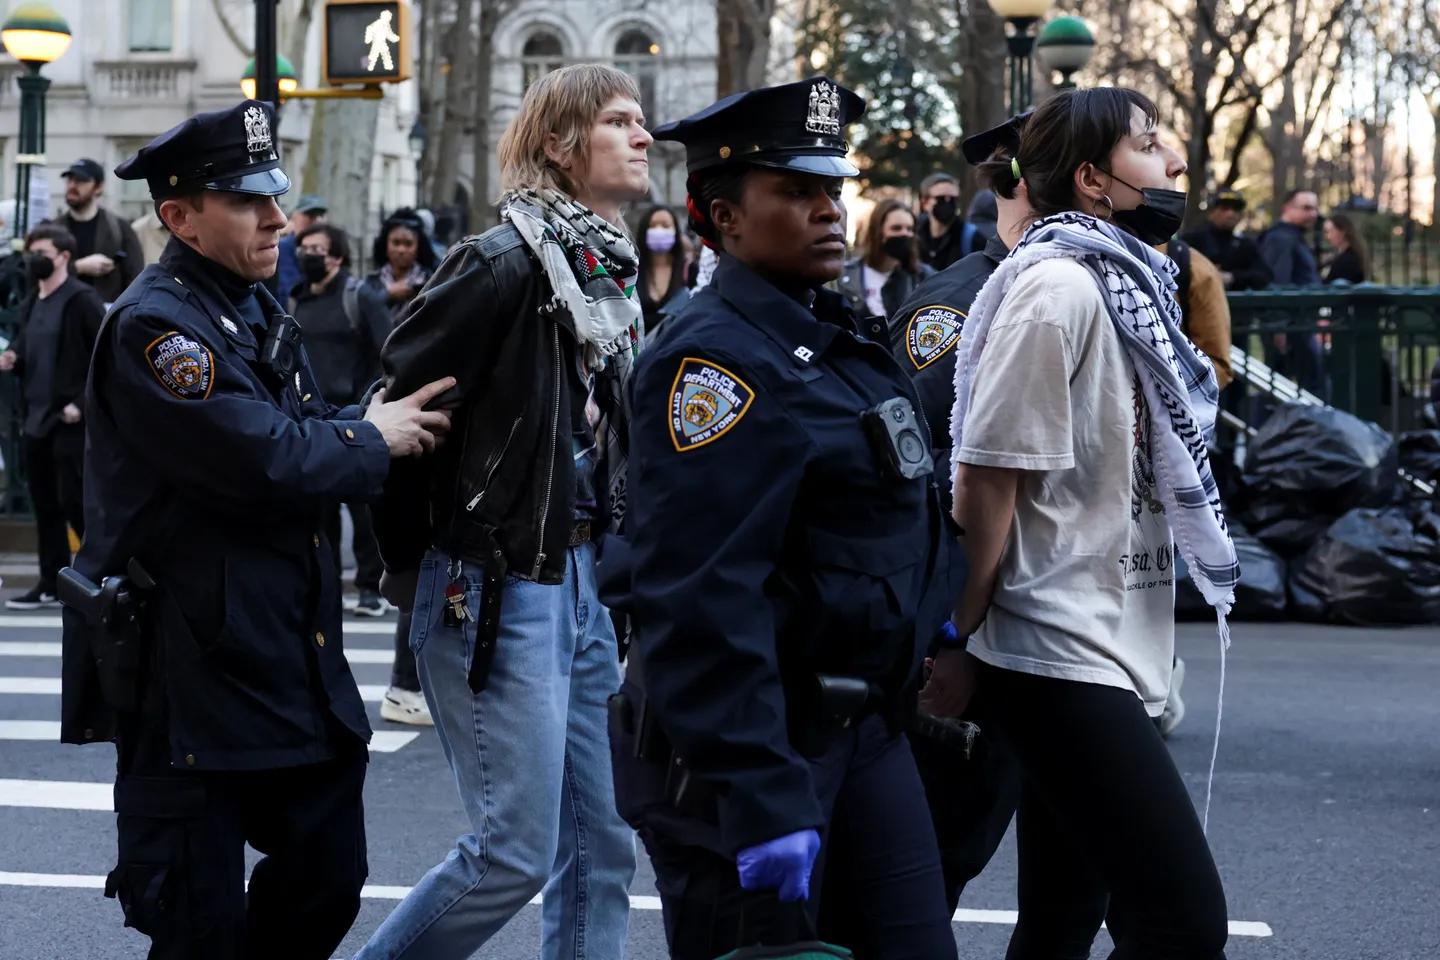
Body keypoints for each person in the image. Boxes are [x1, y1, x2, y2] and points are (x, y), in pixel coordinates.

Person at [59, 99, 454, 960]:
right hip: (194, 674)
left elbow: (296, 430)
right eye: (247, 201)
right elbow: (261, 461)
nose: (278, 216)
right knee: (197, 923)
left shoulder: (247, 303)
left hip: (283, 658)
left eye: (273, 195)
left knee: (328, 875)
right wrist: (367, 438)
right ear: (179, 217)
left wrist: (364, 420)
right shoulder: (159, 327)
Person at [607, 77, 966, 959]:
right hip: (754, 755)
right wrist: (762, 794)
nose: (828, 211)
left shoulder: (826, 333)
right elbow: (700, 595)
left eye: (832, 191)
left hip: (864, 730)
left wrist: (935, 613)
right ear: (724, 218)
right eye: (796, 192)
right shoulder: (710, 361)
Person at [925, 87, 1238, 959]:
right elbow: (986, 480)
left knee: (1063, 918)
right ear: (1095, 180)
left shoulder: (1126, 284)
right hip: (1054, 646)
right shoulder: (1056, 289)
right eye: (1149, 146)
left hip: (1113, 633)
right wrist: (960, 634)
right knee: (1180, 922)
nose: (1174, 161)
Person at [358, 64, 645, 959]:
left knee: (603, 846)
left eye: (642, 121)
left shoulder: (605, 273)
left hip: (582, 579)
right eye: (619, 121)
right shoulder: (501, 264)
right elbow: (400, 413)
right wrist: (414, 569)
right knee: (510, 855)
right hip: (496, 583)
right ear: (561, 144)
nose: (642, 136)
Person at [879, 110, 1032, 919]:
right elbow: (919, 482)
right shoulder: (961, 307)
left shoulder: (1078, 287)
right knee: (932, 871)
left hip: (1056, 641)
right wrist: (951, 640)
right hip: (979, 647)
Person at [290, 224, 396, 617]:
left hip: (355, 417)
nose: (307, 255)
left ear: (337, 257)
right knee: (323, 516)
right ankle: (327, 586)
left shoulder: (359, 296)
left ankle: (371, 587)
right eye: (303, 248)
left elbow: (389, 349)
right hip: (313, 420)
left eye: (316, 249)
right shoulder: (297, 299)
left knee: (363, 511)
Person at [0, 224, 105, 610]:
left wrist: (80, 401)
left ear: (64, 257)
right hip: (36, 418)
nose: (33, 258)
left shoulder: (81, 300)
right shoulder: (34, 300)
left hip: (70, 420)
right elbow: (29, 346)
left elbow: (105, 357)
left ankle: (100, 576)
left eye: (41, 251)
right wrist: (14, 358)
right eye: (30, 251)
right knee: (45, 505)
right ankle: (51, 581)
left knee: (75, 502)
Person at [49, 158, 145, 305]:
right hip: (63, 314)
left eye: (81, 180)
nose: (72, 185)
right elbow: (40, 272)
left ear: (99, 187)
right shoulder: (53, 229)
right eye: (69, 180)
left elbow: (136, 278)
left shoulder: (119, 228)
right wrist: (78, 267)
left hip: (105, 316)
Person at [834, 197, 933, 330]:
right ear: (878, 232)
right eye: (896, 228)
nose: (905, 234)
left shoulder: (923, 277)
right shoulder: (846, 275)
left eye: (910, 229)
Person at [1179, 189, 1271, 291]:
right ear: (1211, 212)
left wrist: (1232, 277)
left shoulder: (1246, 245)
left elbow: (1264, 276)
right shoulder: (1191, 240)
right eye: (1224, 208)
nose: (1230, 214)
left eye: (1236, 210)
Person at [364, 208, 438, 324]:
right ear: (385, 246)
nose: (401, 250)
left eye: (408, 244)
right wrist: (387, 295)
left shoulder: (430, 281)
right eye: (396, 243)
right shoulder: (372, 282)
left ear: (418, 248)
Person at [636, 203, 691, 337]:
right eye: (653, 226)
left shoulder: (689, 270)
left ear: (676, 231)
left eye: (666, 226)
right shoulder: (632, 271)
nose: (659, 230)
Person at [1260, 188, 1321, 285]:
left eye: (1315, 209)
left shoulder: (1294, 237)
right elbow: (1278, 285)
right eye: (1306, 208)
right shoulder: (1279, 239)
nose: (1313, 214)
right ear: (1287, 209)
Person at [915, 171, 971, 270]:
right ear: (925, 203)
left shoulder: (971, 238)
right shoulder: (914, 236)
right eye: (941, 199)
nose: (947, 203)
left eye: (953, 199)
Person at [274, 194, 327, 299]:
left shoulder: (329, 249)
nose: (317, 221)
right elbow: (289, 290)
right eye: (310, 215)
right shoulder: (284, 248)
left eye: (320, 215)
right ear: (295, 217)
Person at [1323, 212, 1367, 284]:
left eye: (1330, 232)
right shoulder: (1353, 255)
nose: (1327, 237)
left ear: (1342, 232)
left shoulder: (1347, 260)